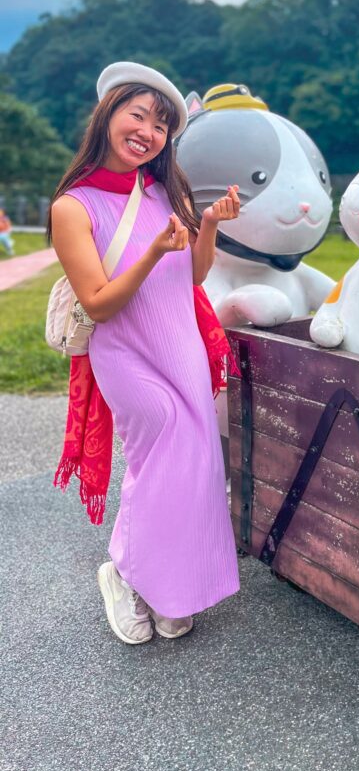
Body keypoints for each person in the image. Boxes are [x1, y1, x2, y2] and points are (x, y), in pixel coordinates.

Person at [49, 61, 241, 645]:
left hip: (178, 343)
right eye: (139, 114)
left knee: (198, 464)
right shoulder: (72, 207)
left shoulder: (165, 190)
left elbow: (194, 276)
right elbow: (101, 303)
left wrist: (206, 224)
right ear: (109, 114)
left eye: (161, 124)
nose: (148, 131)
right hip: (126, 352)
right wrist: (154, 252)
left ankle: (171, 587)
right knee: (161, 459)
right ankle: (125, 571)